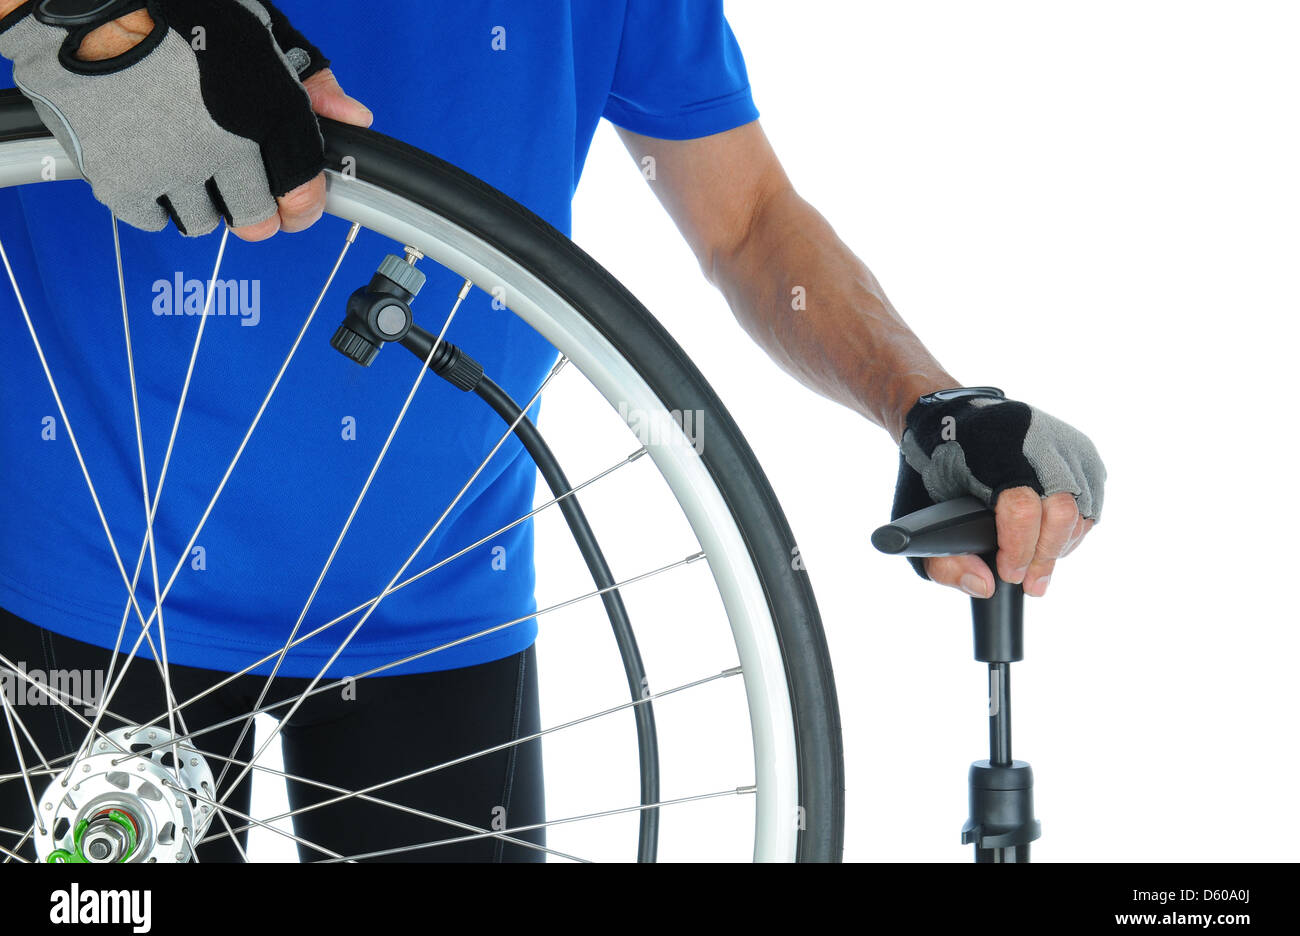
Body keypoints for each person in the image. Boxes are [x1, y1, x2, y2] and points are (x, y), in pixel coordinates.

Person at [0, 0, 1104, 862]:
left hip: (433, 600)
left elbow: (749, 219)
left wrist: (927, 401)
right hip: (86, 581)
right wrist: (96, 22)